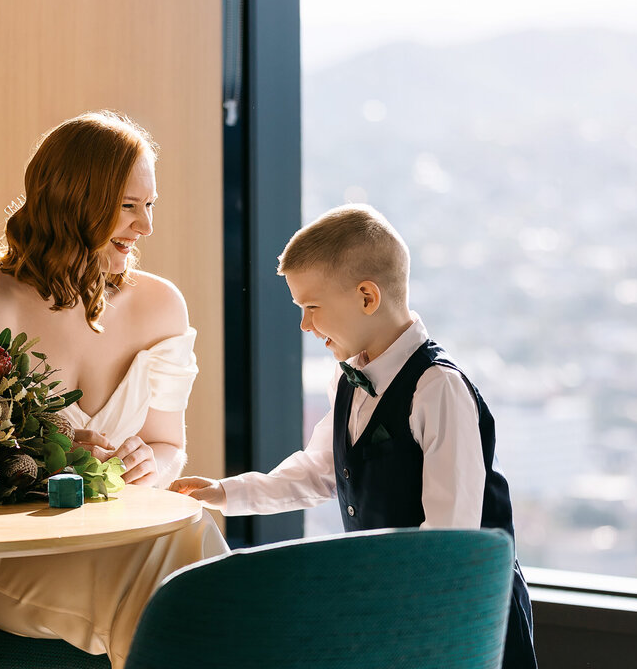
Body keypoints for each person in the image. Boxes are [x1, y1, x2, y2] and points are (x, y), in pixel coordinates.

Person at [0, 110, 227, 667]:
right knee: (176, 574)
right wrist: (34, 464)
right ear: (72, 201)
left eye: (150, 205)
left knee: (191, 535)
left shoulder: (162, 306)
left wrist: (144, 465)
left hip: (118, 533)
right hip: (14, 551)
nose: (146, 226)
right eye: (128, 206)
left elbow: (167, 445)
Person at [171, 203, 538, 669]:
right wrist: (224, 492)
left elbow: (449, 540)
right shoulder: (347, 380)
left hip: (462, 622)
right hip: (394, 615)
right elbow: (318, 472)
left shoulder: (438, 388)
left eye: (311, 308)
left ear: (367, 297)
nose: (304, 325)